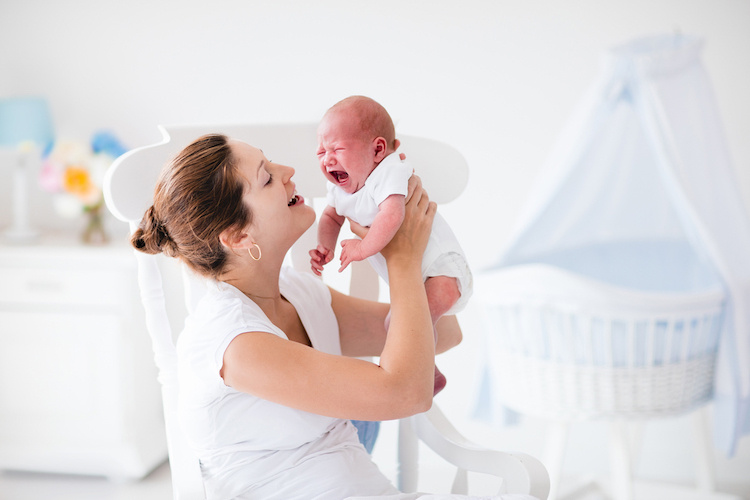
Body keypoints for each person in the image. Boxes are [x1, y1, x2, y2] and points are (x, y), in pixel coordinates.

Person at [131, 134, 534, 500]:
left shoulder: (299, 295)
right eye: (267, 178)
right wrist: (403, 261)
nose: (287, 172)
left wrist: (393, 234)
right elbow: (407, 392)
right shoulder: (234, 343)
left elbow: (445, 331)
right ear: (238, 237)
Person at [310, 96, 473, 395]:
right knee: (395, 325)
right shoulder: (338, 189)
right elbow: (331, 218)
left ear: (378, 150)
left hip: (441, 269)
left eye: (337, 149)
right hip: (413, 277)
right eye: (321, 151)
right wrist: (325, 247)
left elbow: (393, 214)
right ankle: (430, 372)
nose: (327, 159)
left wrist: (361, 249)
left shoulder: (388, 172)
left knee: (408, 323)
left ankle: (416, 374)